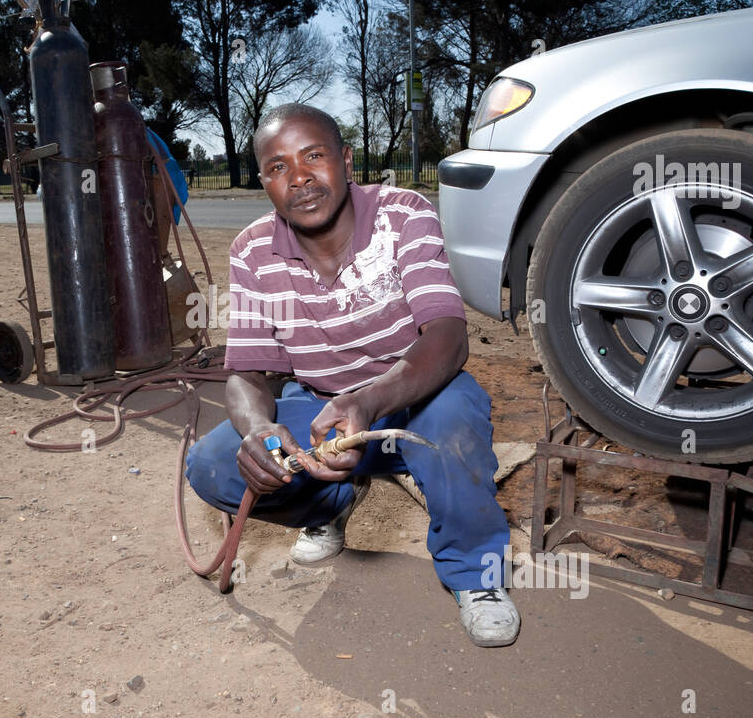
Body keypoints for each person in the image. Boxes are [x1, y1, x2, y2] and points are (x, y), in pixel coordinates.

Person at [184, 103, 520, 647]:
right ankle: (332, 505)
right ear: (264, 181)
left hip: (418, 394)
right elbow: (248, 372)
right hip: (320, 413)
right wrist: (256, 431)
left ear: (346, 159)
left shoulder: (403, 214)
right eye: (276, 167)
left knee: (455, 428)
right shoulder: (252, 251)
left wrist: (369, 401)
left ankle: (475, 575)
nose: (298, 178)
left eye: (314, 156)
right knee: (213, 464)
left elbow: (447, 337)